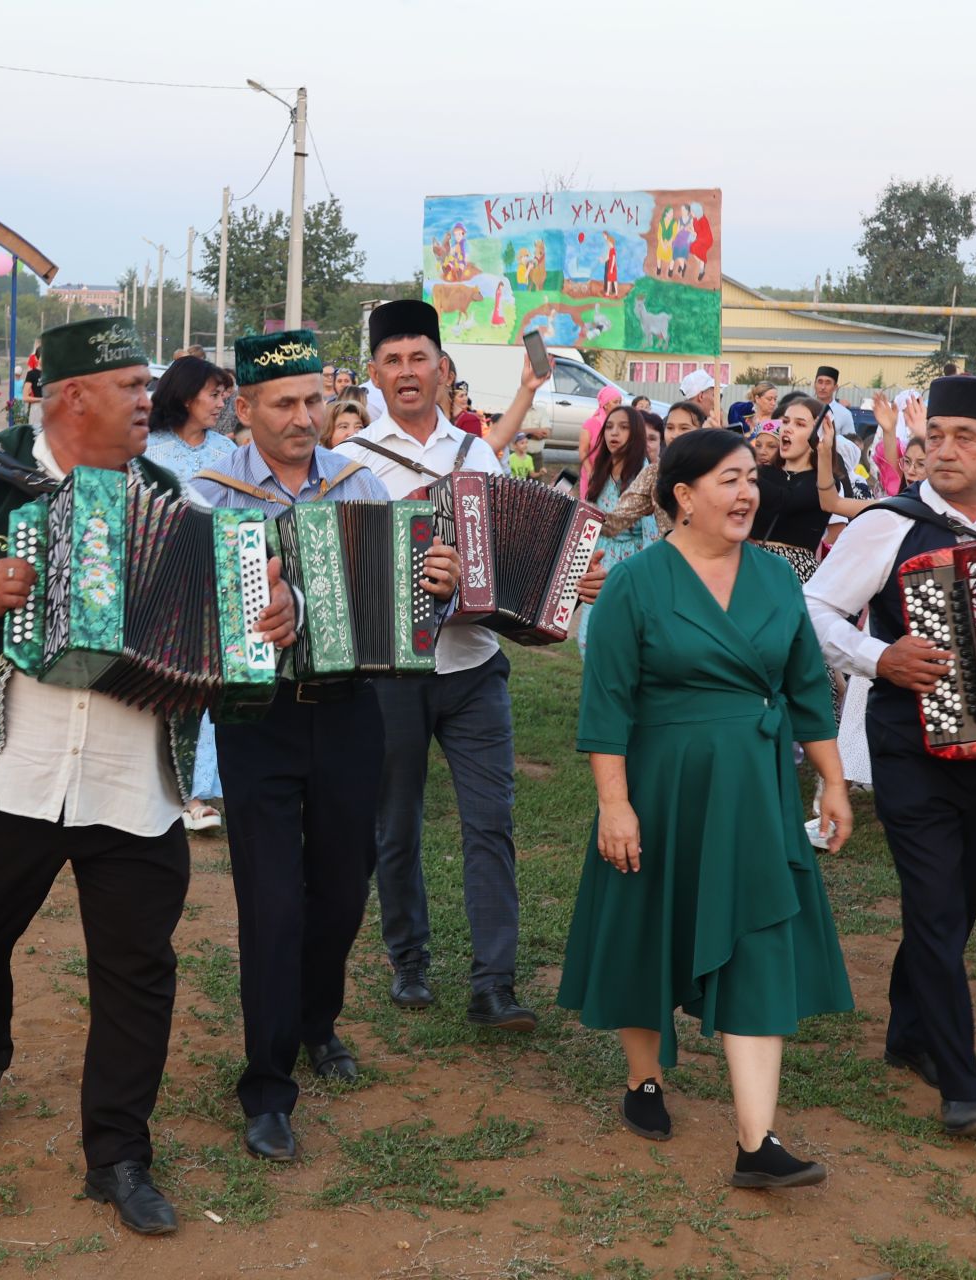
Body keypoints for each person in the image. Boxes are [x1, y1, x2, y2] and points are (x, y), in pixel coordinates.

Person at [0, 316, 299, 1237]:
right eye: (133, 386)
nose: (153, 400)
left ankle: (119, 1154)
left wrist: (272, 612)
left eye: (148, 387)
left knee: (140, 972)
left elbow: (228, 620)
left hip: (131, 781)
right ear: (70, 397)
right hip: (0, 775)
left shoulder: (168, 495)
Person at [187, 329, 459, 1164]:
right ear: (245, 408)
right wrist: (260, 593)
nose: (305, 418)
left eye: (314, 400)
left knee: (342, 894)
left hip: (350, 711)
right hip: (256, 718)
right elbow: (201, 607)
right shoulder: (208, 492)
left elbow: (403, 611)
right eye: (285, 404)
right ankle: (267, 1089)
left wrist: (436, 589)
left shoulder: (361, 481)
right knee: (274, 906)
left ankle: (317, 1023)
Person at [560, 427, 852, 1187]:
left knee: (759, 933)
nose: (748, 492)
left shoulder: (779, 579)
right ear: (684, 497)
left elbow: (806, 691)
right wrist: (614, 805)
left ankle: (757, 1143)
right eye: (729, 479)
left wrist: (831, 779)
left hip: (755, 789)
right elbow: (607, 707)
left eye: (752, 477)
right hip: (661, 784)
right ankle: (643, 1077)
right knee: (647, 923)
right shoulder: (636, 583)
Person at [334, 299, 606, 1031]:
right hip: (391, 675)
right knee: (396, 824)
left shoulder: (477, 454)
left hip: (476, 668)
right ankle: (409, 962)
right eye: (392, 360)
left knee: (492, 823)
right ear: (375, 374)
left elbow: (515, 567)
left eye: (418, 357)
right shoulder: (353, 464)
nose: (407, 371)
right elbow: (351, 582)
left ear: (440, 365)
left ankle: (494, 983)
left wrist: (565, 581)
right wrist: (419, 573)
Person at [803, 376, 976, 1136]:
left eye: (964, 437)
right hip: (910, 745)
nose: (944, 451)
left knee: (950, 904)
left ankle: (907, 1032)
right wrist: (879, 655)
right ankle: (962, 1084)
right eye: (935, 436)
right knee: (938, 903)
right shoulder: (890, 523)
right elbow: (812, 606)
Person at [143, 354, 240, 833]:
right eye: (214, 394)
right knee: (164, 681)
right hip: (158, 583)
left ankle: (201, 790)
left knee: (210, 682)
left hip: (218, 582)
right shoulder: (146, 448)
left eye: (225, 394)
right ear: (184, 397)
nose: (222, 404)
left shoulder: (229, 451)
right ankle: (167, 784)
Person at [576, 405, 657, 655]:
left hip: (629, 566)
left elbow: (651, 535)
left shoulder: (645, 474)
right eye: (609, 427)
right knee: (590, 639)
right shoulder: (601, 469)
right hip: (598, 564)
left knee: (622, 643)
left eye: (623, 427)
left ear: (636, 434)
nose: (614, 433)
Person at [751, 397, 840, 580]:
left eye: (799, 424)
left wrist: (744, 471)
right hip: (752, 564)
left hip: (794, 573)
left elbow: (786, 501)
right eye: (785, 421)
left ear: (819, 435)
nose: (788, 428)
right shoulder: (762, 473)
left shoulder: (824, 482)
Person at [604, 400, 709, 539]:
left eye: (684, 428)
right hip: (670, 557)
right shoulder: (654, 473)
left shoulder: (715, 471)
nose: (675, 435)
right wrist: (581, 517)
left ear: (701, 431)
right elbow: (617, 519)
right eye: (670, 428)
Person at [812, 367, 855, 438]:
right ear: (814, 385)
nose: (823, 387)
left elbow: (850, 443)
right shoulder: (805, 409)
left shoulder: (844, 414)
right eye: (820, 382)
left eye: (827, 383)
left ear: (835, 387)